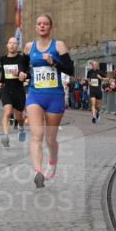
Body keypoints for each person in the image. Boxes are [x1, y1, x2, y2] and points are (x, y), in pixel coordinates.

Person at [23, 14, 75, 188]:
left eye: (45, 24)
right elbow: (23, 66)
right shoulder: (29, 47)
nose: (42, 26)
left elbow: (70, 69)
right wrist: (22, 73)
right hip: (35, 95)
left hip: (54, 96)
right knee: (36, 135)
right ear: (36, 27)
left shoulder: (58, 45)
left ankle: (52, 162)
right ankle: (38, 172)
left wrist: (54, 63)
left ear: (50, 27)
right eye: (39, 24)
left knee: (50, 140)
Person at [0, 36, 29, 147]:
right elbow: (4, 75)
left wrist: (24, 75)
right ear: (7, 45)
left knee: (19, 116)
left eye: (14, 43)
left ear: (17, 46)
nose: (12, 45)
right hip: (7, 89)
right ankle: (5, 136)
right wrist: (0, 83)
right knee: (7, 112)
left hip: (19, 90)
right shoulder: (3, 59)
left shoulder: (22, 59)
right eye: (10, 43)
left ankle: (21, 128)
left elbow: (27, 73)